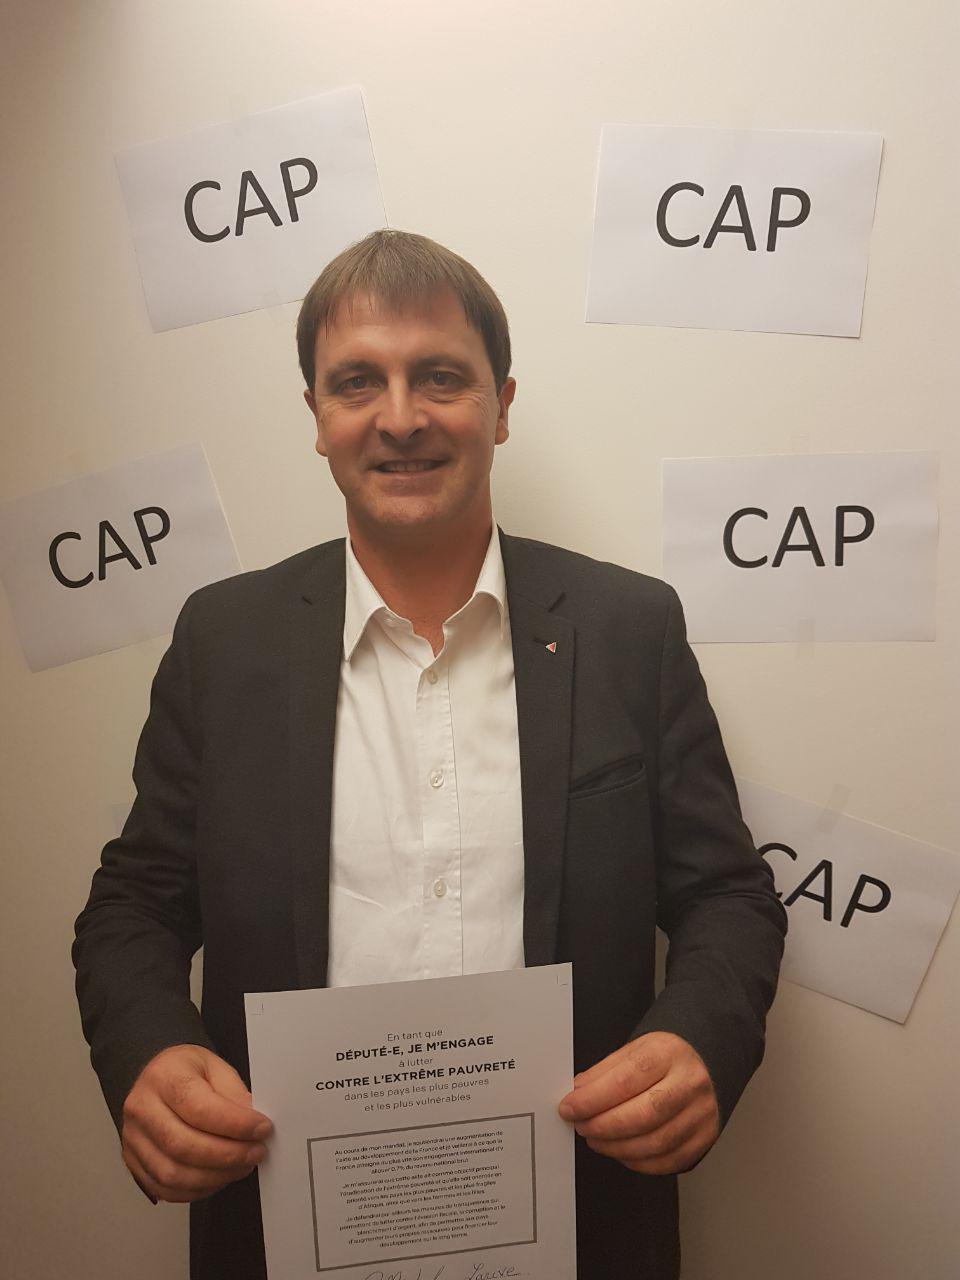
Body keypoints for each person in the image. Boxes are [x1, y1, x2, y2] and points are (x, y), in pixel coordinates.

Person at [74, 229, 787, 1280]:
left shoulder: (628, 627)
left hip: (584, 1221)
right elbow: (134, 902)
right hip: (286, 1228)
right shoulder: (223, 641)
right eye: (357, 381)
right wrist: (150, 1052)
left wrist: (700, 1041)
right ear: (316, 416)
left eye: (441, 377)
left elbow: (727, 893)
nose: (400, 416)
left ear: (501, 405)